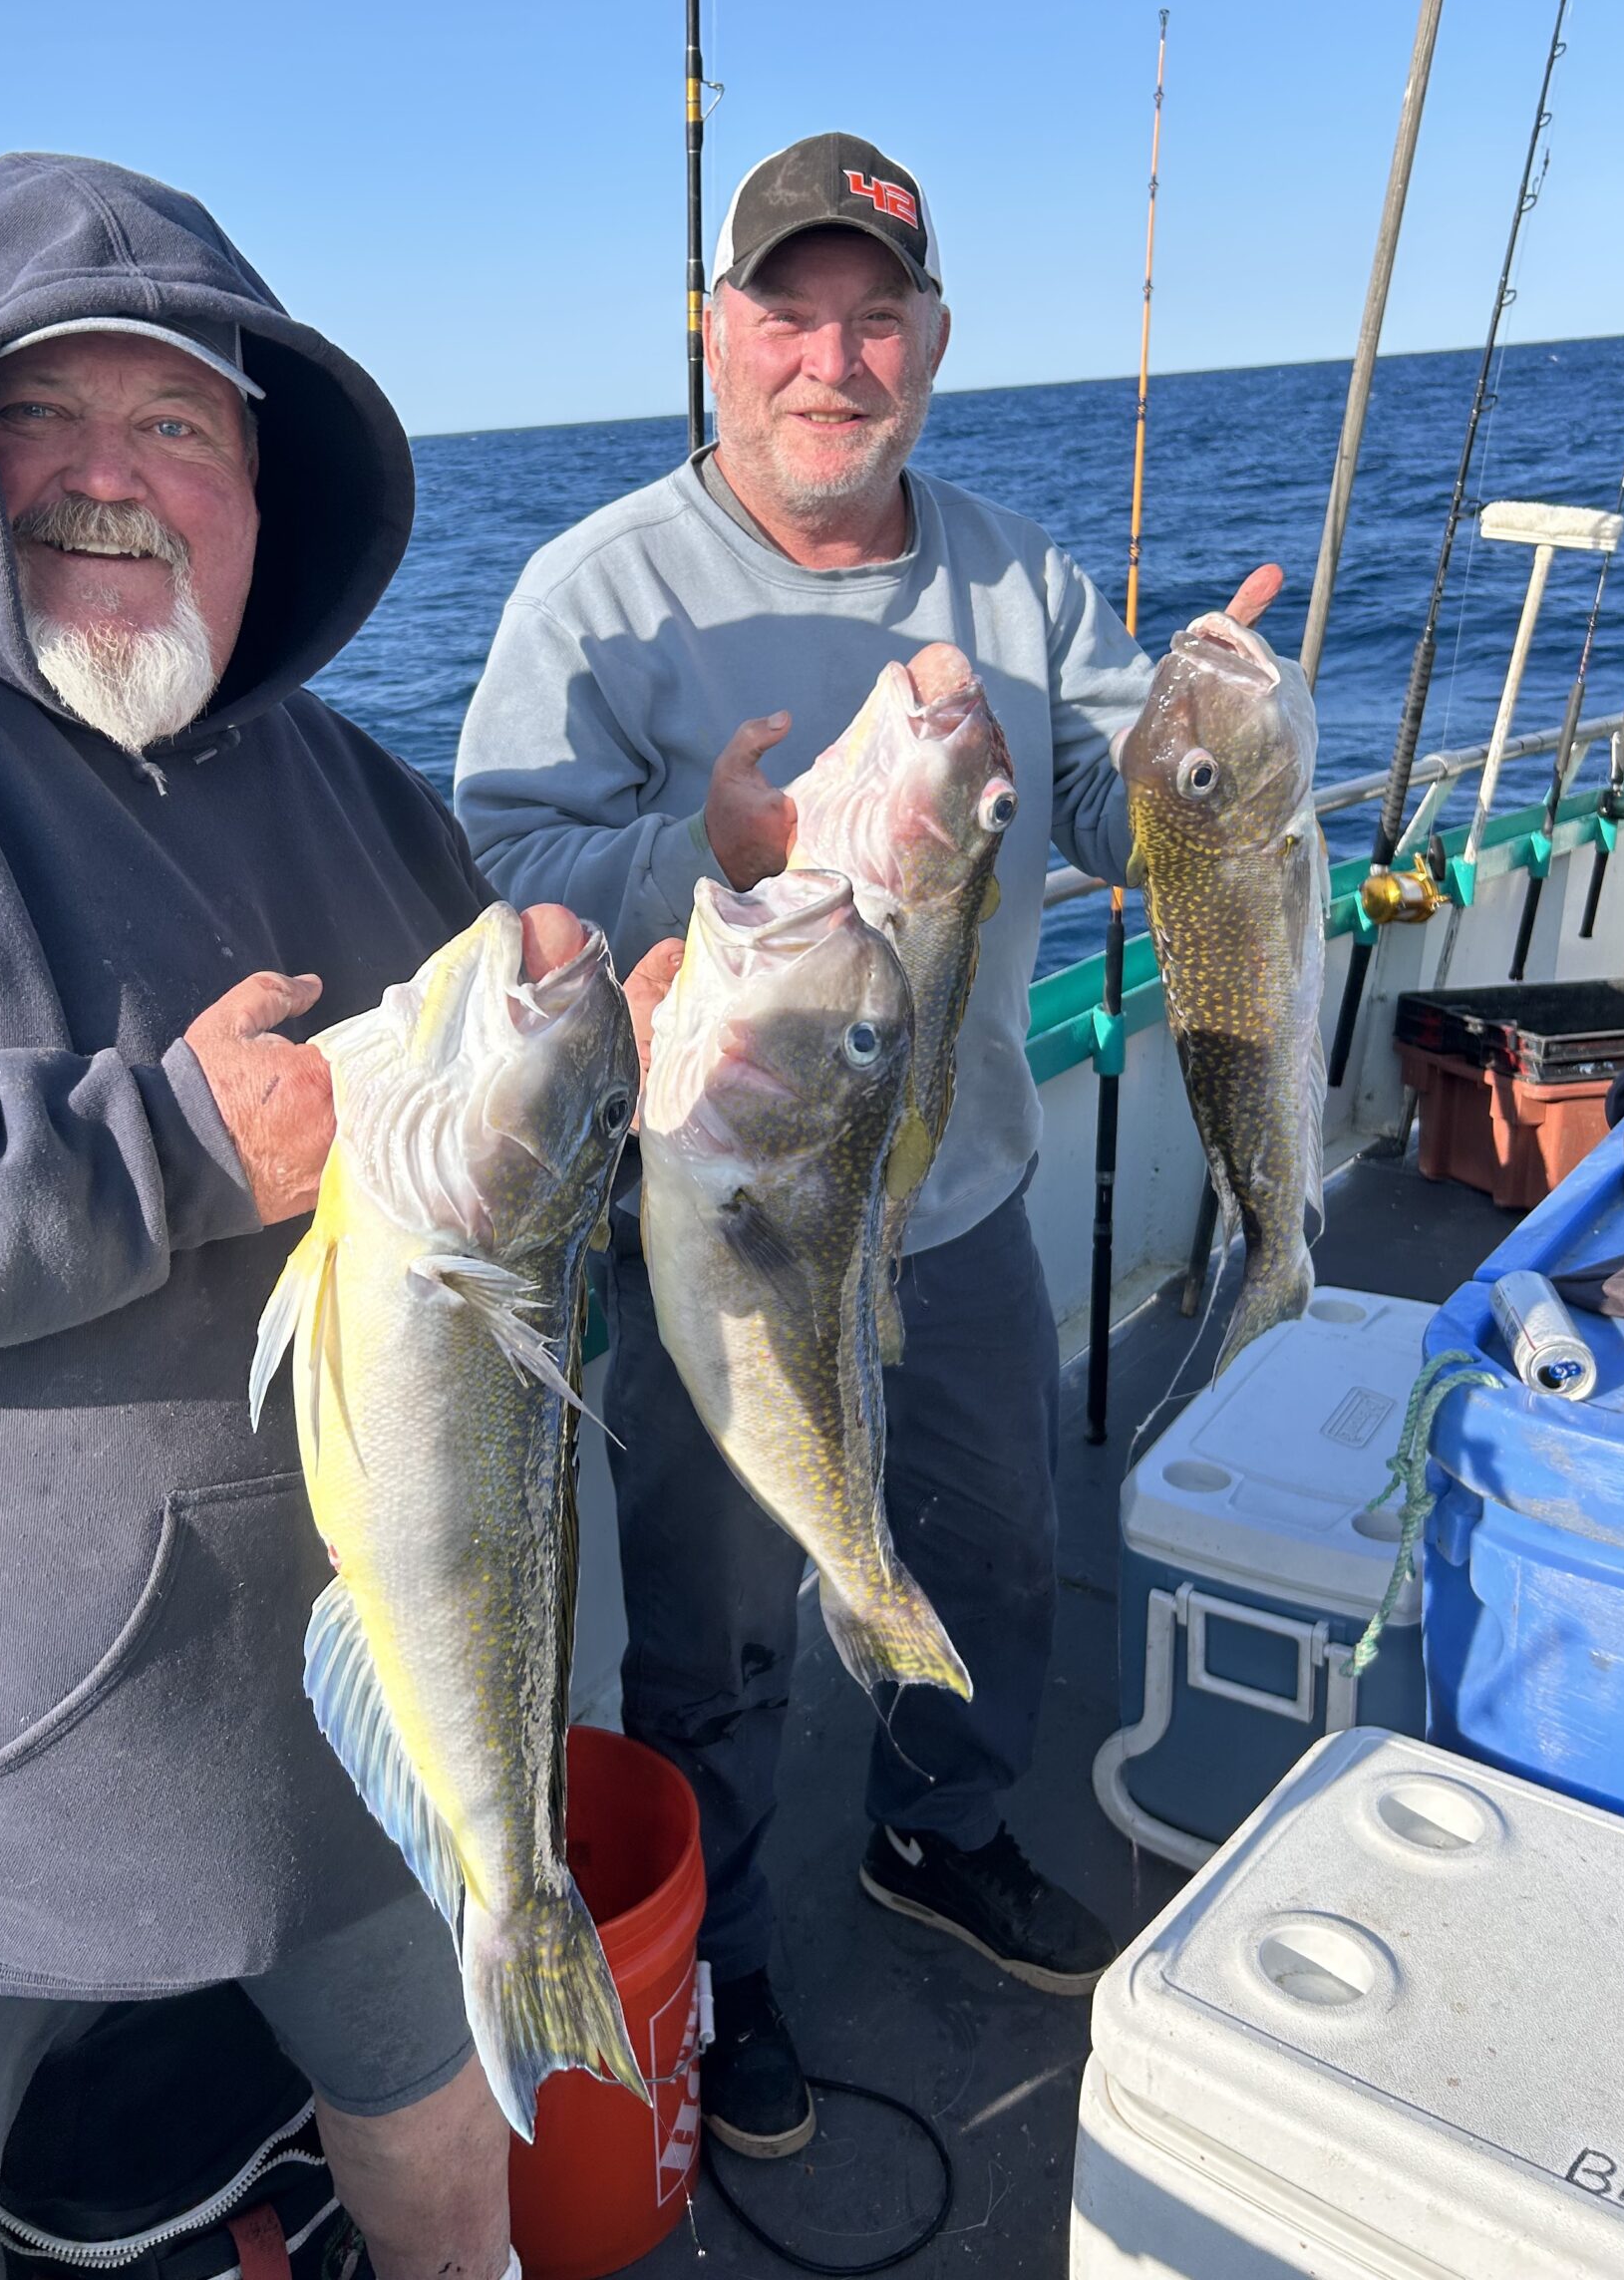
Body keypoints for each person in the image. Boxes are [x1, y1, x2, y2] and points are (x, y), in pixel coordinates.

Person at [0, 152, 662, 2279]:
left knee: (454, 2170)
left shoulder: (366, 789)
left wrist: (637, 1085)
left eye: (177, 424)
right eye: (40, 411)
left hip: (342, 1737)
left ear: (262, 484)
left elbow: (517, 1245)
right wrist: (171, 1146)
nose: (108, 476)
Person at [457, 132, 1278, 2157]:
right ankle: (727, 1953)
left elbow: (1114, 818)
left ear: (934, 340)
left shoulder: (1023, 574)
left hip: (959, 1185)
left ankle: (945, 1827)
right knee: (723, 1620)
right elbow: (494, 872)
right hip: (724, 1213)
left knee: (993, 1544)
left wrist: (1208, 745)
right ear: (716, 335)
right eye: (791, 314)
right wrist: (694, 850)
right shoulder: (598, 589)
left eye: (877, 317)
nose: (835, 359)